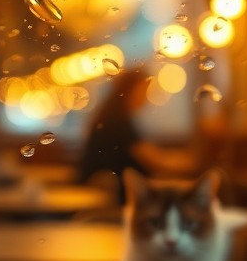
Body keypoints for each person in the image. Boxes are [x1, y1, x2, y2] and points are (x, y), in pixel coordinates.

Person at [76, 72, 184, 203]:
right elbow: (151, 159)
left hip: (111, 191)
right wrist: (189, 164)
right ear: (130, 90)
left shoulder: (113, 115)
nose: (146, 97)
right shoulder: (118, 121)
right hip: (114, 197)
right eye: (144, 91)